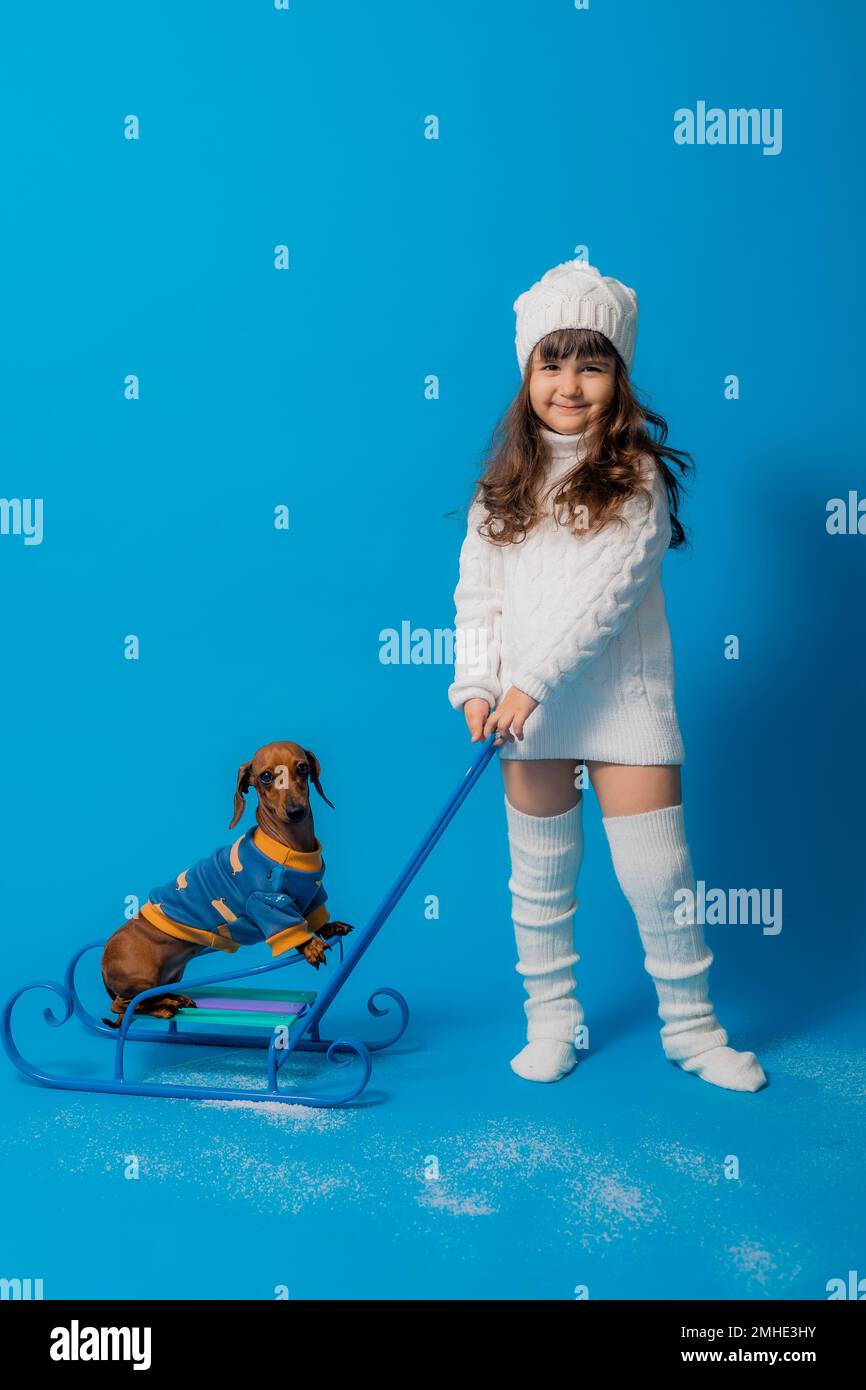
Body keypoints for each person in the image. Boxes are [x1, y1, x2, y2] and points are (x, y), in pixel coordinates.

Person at [447, 257, 766, 1092]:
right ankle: (552, 1019)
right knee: (541, 880)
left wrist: (529, 682)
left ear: (618, 375)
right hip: (523, 712)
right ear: (527, 374)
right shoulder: (499, 489)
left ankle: (692, 1030)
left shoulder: (638, 480)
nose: (570, 382)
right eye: (551, 362)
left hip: (615, 699)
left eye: (591, 363)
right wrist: (477, 685)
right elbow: (477, 598)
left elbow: (604, 599)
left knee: (660, 876)